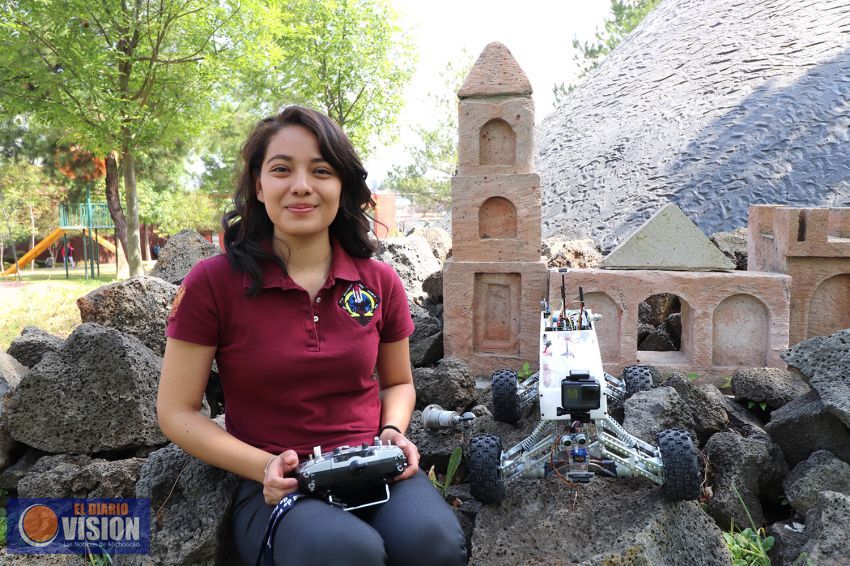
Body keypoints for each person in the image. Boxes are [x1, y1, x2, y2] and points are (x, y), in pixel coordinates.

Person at [157, 106, 467, 566]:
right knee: (347, 553)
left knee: (435, 544)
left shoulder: (379, 282)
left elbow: (399, 383)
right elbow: (175, 411)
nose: (301, 185)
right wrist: (262, 466)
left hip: (373, 466)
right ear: (259, 186)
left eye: (320, 170)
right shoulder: (212, 284)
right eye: (282, 169)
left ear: (341, 186)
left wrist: (391, 433)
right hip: (275, 485)